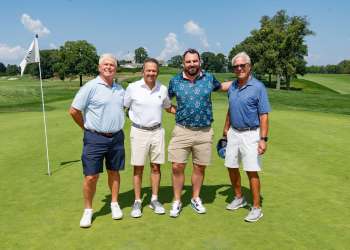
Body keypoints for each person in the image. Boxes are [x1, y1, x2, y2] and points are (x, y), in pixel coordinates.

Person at [167, 48, 231, 217]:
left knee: (199, 167)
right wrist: (177, 111)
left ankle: (195, 198)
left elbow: (222, 87)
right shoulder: (175, 81)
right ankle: (177, 200)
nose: (192, 64)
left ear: (199, 61)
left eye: (195, 61)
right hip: (182, 130)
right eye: (188, 61)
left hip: (204, 131)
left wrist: (242, 80)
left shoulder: (209, 78)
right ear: (183, 63)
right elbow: (165, 101)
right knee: (177, 166)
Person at [69, 53, 125, 228]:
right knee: (91, 176)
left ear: (116, 69)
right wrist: (86, 128)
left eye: (112, 65)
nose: (109, 67)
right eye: (105, 65)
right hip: (95, 138)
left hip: (116, 137)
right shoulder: (90, 87)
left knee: (114, 172)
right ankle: (88, 210)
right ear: (99, 67)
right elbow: (74, 111)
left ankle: (114, 203)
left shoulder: (120, 89)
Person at [124, 58, 176, 218]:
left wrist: (186, 112)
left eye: (154, 71)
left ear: (157, 72)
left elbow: (168, 107)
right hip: (138, 131)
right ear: (143, 71)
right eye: (148, 70)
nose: (151, 73)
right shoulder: (132, 88)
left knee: (156, 167)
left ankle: (154, 199)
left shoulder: (163, 89)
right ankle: (138, 201)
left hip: (157, 132)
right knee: (138, 167)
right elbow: (123, 108)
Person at [222, 51, 271, 222]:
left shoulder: (258, 87)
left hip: (252, 133)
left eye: (243, 65)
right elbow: (231, 108)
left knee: (251, 171)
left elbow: (264, 115)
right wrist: (225, 129)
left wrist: (263, 139)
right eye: (236, 66)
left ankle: (257, 207)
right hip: (234, 132)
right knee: (231, 165)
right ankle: (239, 197)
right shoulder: (233, 87)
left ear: (249, 67)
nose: (239, 68)